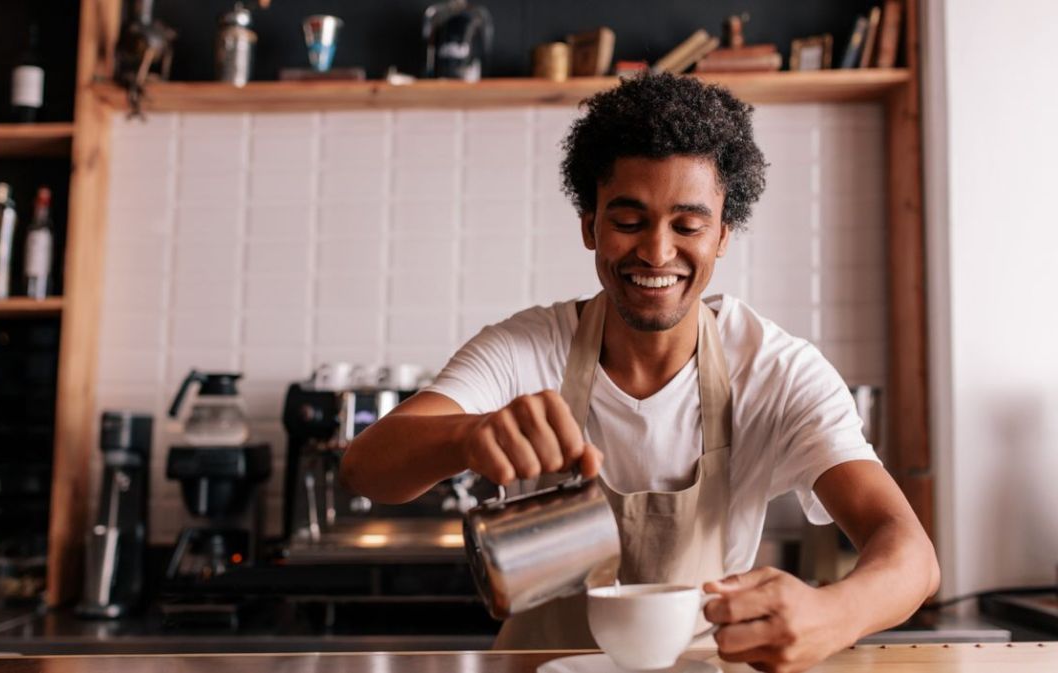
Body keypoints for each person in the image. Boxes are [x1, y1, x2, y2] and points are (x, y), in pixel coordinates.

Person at [340, 72, 939, 673]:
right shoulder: (527, 348)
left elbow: (909, 553)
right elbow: (367, 468)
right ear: (589, 226)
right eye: (628, 221)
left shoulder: (775, 370)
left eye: (688, 224)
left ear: (723, 235)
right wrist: (468, 435)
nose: (656, 252)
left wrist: (834, 615)